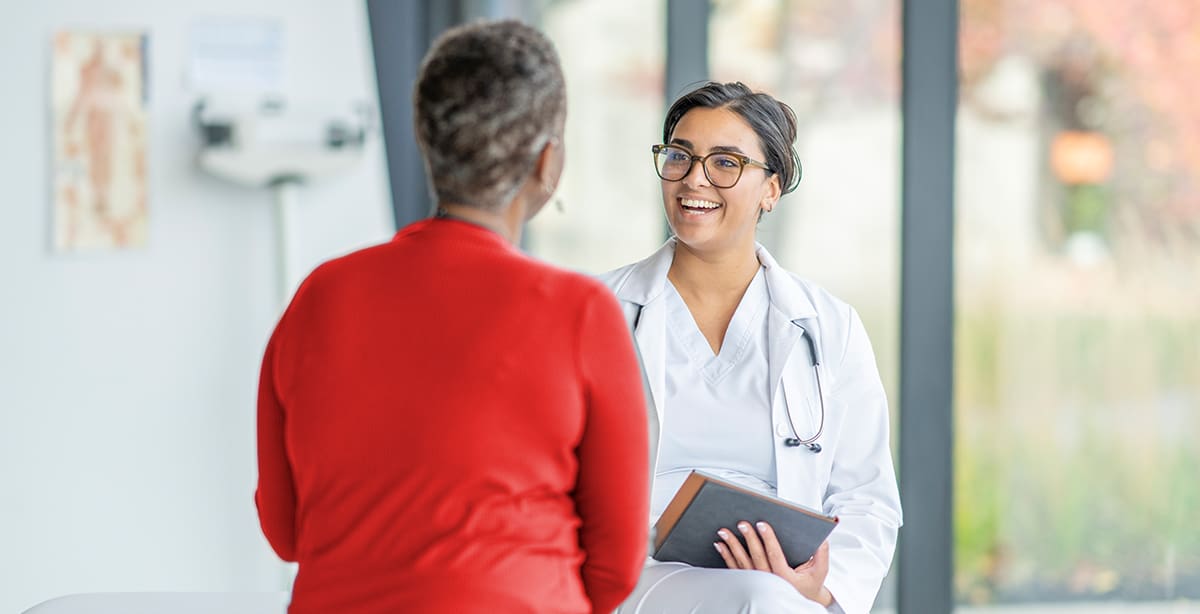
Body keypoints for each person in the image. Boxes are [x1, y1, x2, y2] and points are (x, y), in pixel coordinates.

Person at [255, 20, 650, 614]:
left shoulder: (320, 294)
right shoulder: (581, 312)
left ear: (428, 144)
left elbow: (286, 534)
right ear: (549, 162)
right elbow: (617, 565)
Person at [600, 82, 902, 614]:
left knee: (771, 599)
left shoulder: (829, 327)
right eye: (680, 156)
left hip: (783, 588)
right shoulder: (597, 311)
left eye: (725, 162)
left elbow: (866, 497)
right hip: (636, 577)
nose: (694, 177)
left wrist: (823, 591)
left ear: (771, 189)